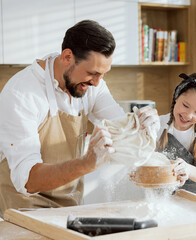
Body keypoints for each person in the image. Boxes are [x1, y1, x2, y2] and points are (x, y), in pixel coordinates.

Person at [0, 20, 160, 216]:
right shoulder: (22, 94)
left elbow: (121, 127)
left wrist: (143, 126)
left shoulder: (92, 84)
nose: (96, 83)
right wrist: (86, 163)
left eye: (102, 75)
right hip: (25, 208)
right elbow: (28, 180)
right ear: (67, 56)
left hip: (70, 205)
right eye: (92, 73)